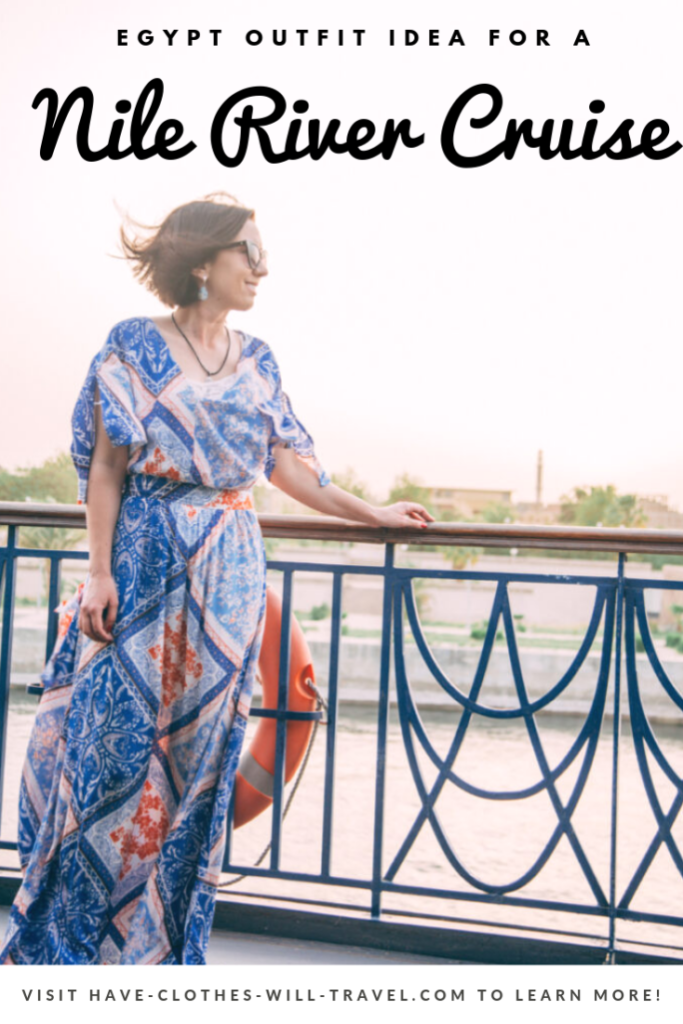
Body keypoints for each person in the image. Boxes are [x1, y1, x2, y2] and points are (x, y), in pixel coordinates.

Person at [0, 193, 434, 965]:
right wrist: (97, 572)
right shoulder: (132, 345)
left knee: (197, 770)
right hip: (139, 565)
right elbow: (105, 468)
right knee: (109, 758)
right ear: (202, 263)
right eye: (248, 252)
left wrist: (374, 514)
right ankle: (65, 958)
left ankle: (159, 959)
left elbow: (290, 471)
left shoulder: (258, 358)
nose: (261, 267)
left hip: (226, 574)